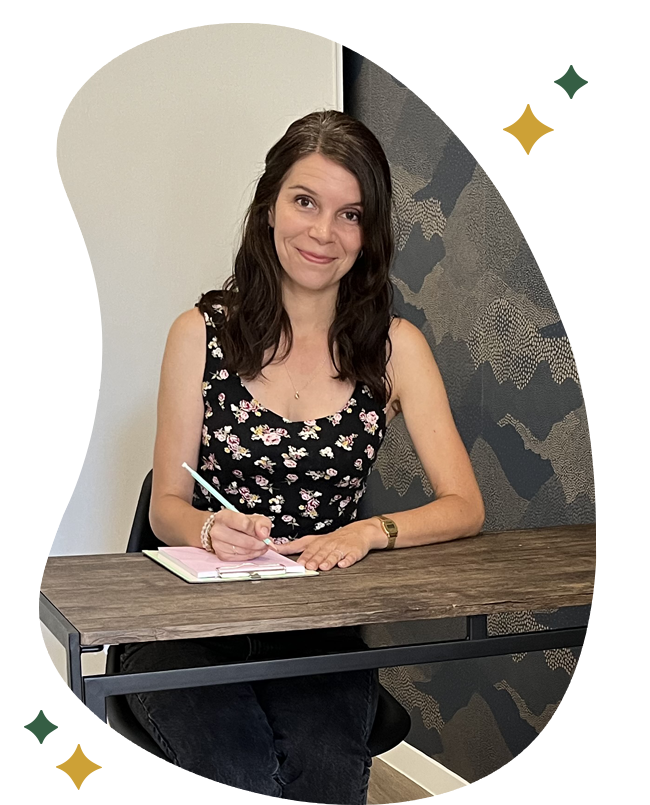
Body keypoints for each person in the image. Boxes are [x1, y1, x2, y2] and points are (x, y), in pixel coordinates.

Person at [120, 110, 485, 805]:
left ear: (369, 234)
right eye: (305, 201)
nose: (323, 232)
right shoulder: (199, 334)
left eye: (350, 215)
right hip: (189, 624)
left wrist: (368, 531)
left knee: (325, 777)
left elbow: (464, 505)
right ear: (269, 208)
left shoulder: (395, 349)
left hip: (317, 625)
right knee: (240, 774)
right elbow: (167, 504)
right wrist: (208, 528)